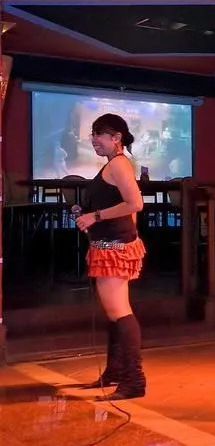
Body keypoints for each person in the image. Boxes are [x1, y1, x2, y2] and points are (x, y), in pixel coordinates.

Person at [75, 114, 147, 400]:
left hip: (113, 247)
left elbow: (135, 203)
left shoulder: (118, 164)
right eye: (93, 134)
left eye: (99, 134)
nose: (94, 139)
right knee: (115, 312)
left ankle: (134, 380)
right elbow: (127, 208)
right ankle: (116, 372)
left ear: (116, 137)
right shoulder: (117, 164)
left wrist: (95, 216)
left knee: (120, 312)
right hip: (115, 244)